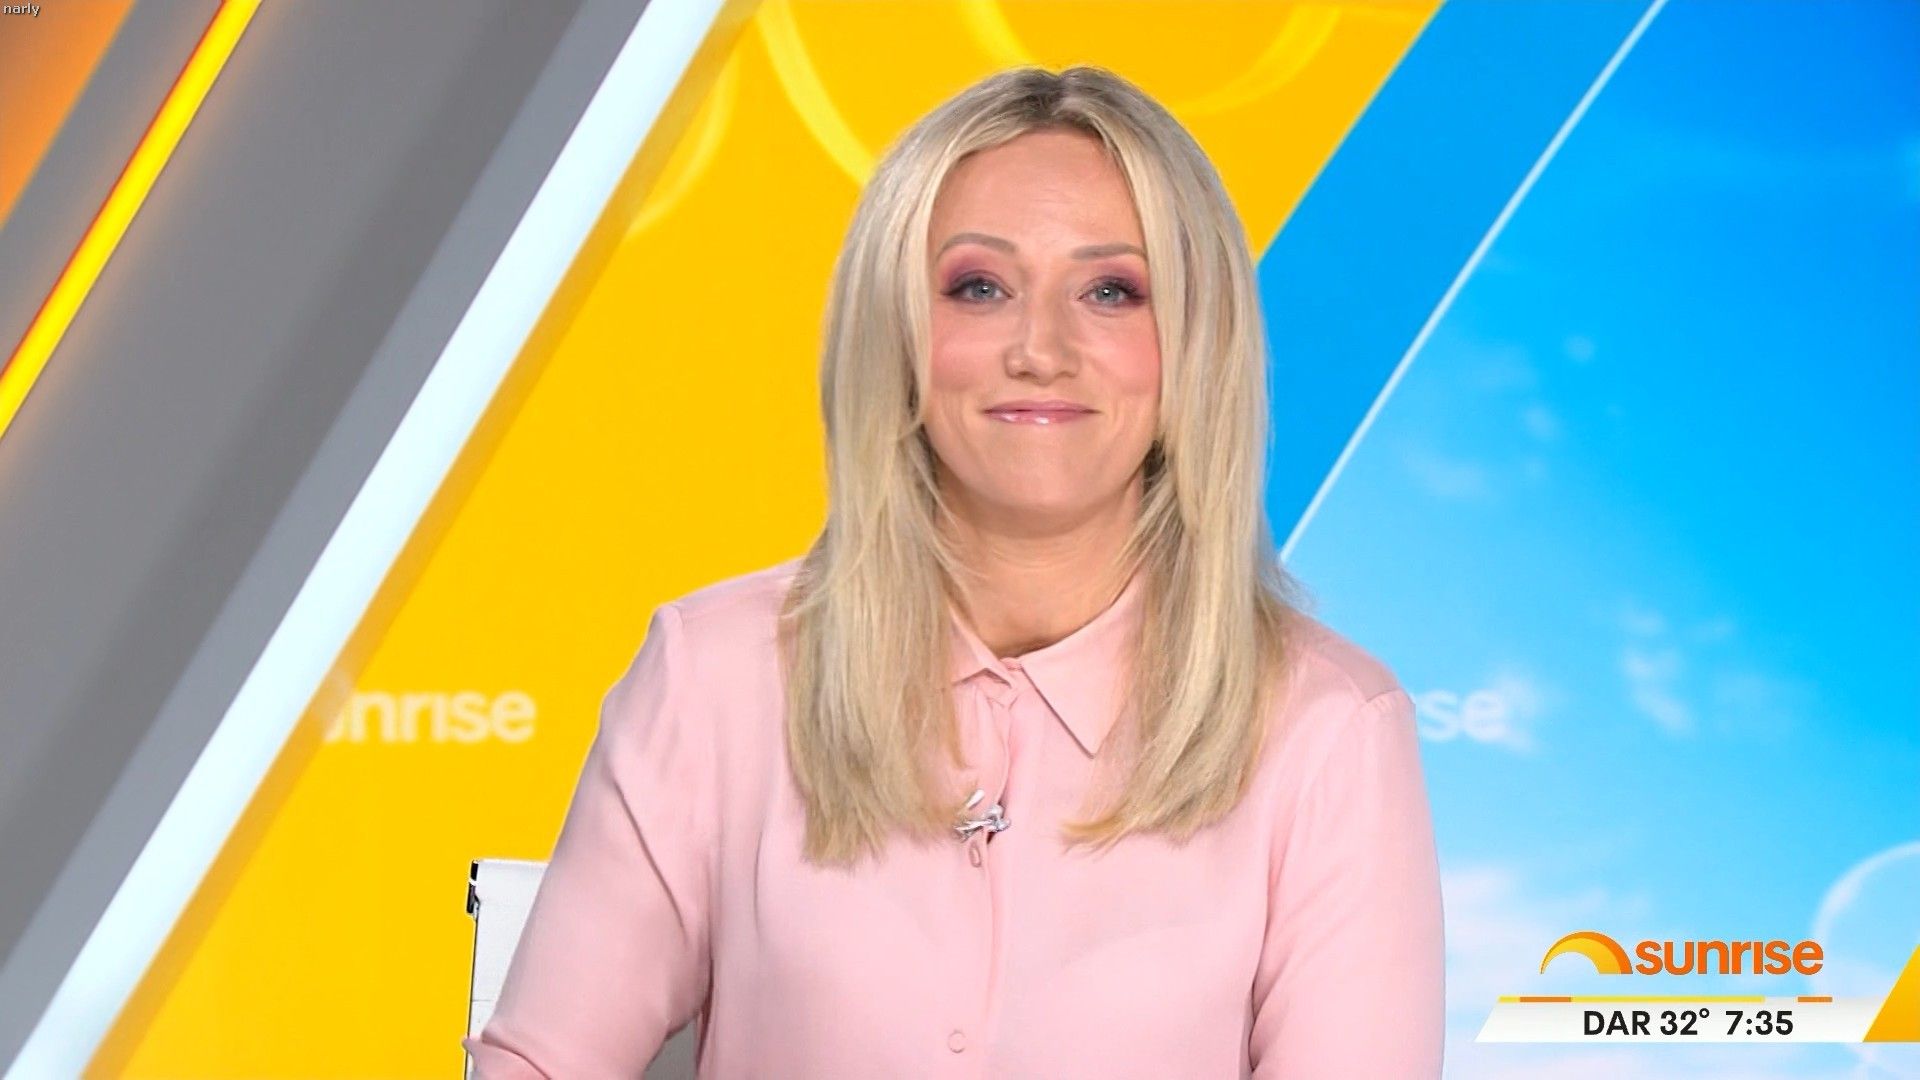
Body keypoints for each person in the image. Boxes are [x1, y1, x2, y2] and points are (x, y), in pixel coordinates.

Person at [464, 65, 1443, 1079]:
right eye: (980, 288)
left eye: (1112, 291)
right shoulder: (715, 673)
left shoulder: (1329, 730)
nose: (1041, 350)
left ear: (1197, 343)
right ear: (897, 332)